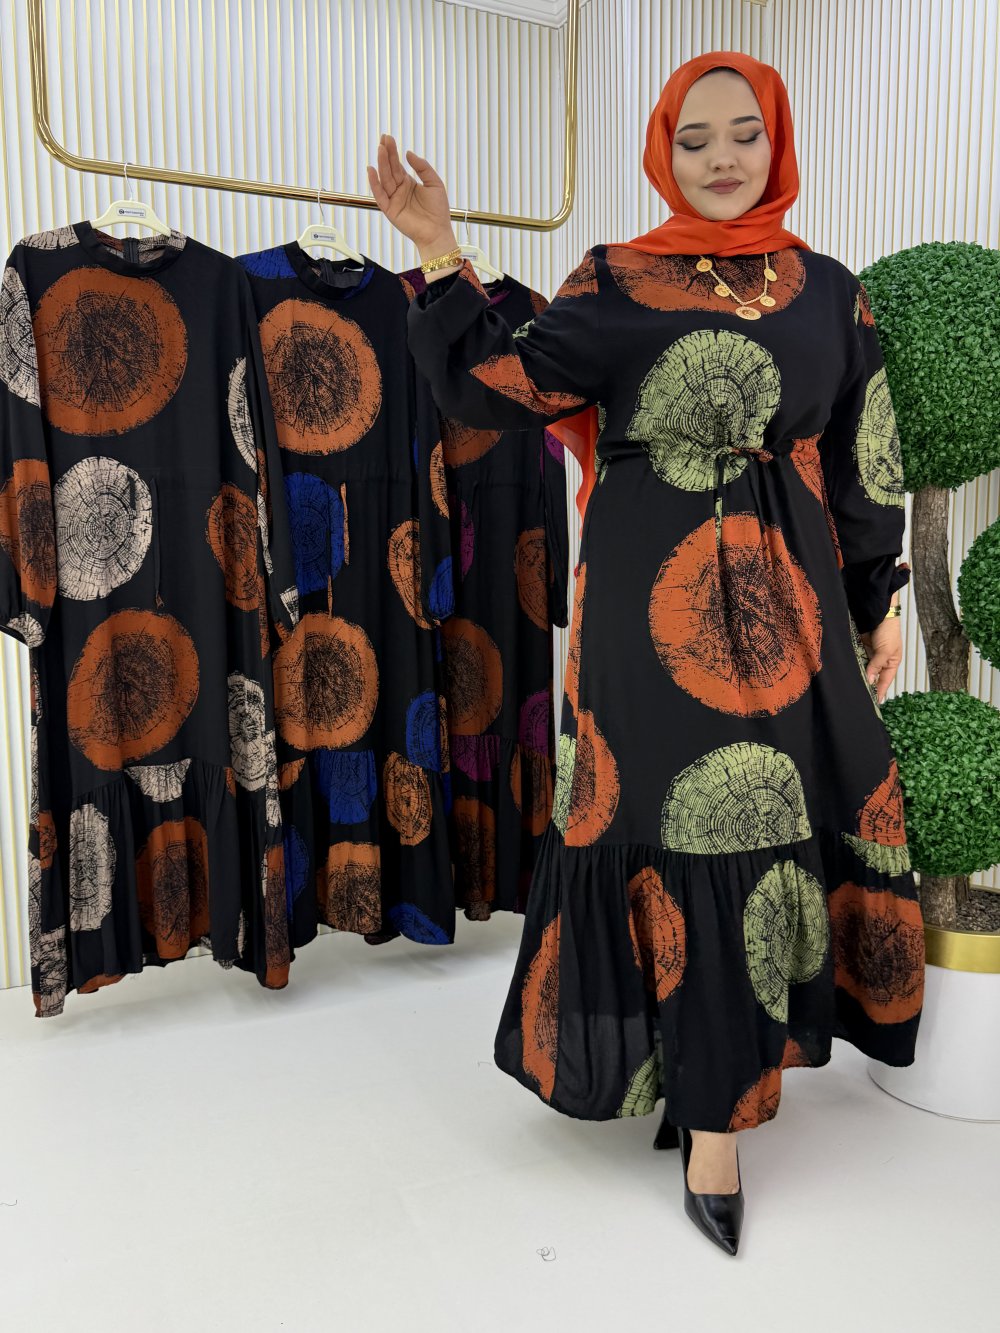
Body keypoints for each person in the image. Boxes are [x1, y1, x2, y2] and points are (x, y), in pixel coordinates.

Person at [368, 51, 923, 1257]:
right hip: (645, 610)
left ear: (778, 141)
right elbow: (493, 386)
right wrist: (439, 251)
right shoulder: (616, 279)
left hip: (792, 605)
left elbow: (862, 456)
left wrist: (878, 599)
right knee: (685, 824)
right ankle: (713, 1125)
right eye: (694, 138)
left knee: (768, 820)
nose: (722, 158)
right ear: (662, 150)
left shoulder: (829, 293)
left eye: (743, 134)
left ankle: (709, 1068)